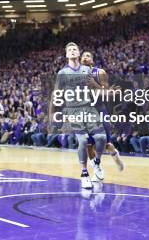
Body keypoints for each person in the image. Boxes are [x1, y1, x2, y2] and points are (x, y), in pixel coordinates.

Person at [54, 43, 105, 190]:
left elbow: (94, 86)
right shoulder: (62, 73)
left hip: (89, 109)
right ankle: (84, 174)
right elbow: (57, 93)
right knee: (82, 140)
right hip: (73, 110)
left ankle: (96, 162)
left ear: (78, 53)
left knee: (101, 138)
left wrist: (106, 91)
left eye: (74, 49)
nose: (72, 51)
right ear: (66, 55)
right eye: (69, 50)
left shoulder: (85, 70)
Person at [81, 51, 124, 174]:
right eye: (83, 56)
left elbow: (104, 91)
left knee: (106, 143)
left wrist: (109, 92)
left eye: (88, 56)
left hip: (99, 110)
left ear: (92, 61)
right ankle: (97, 168)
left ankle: (116, 157)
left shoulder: (100, 72)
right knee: (88, 146)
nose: (85, 57)